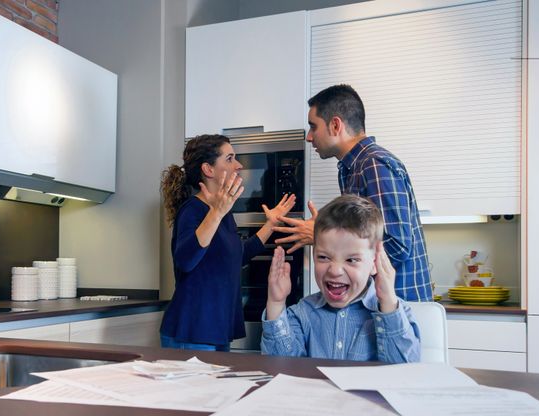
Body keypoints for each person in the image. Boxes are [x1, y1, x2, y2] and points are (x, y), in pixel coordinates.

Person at [274, 84, 433, 302]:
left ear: (336, 125)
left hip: (399, 305)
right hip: (379, 304)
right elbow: (365, 234)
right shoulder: (351, 168)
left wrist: (326, 239)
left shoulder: (373, 165)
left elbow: (396, 247)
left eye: (313, 126)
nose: (309, 137)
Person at [159, 134, 296, 351]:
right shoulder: (192, 210)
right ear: (209, 169)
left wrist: (270, 224)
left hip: (216, 330)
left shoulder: (223, 214)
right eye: (230, 159)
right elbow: (185, 260)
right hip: (193, 331)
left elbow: (237, 255)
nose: (239, 165)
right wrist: (217, 212)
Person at [261, 194, 421, 362]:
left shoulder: (397, 312)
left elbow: (404, 371)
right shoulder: (303, 312)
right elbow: (281, 366)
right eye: (323, 257)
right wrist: (276, 303)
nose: (335, 270)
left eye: (351, 260)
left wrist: (387, 301)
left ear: (375, 263)